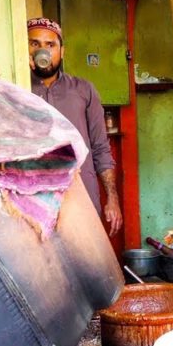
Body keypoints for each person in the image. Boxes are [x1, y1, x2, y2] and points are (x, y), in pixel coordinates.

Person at [27, 17, 122, 236]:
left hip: (83, 195)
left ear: (62, 51)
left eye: (50, 45)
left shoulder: (84, 90)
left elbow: (101, 147)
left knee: (86, 262)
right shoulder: (16, 89)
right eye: (35, 44)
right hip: (34, 197)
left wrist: (112, 199)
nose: (43, 51)